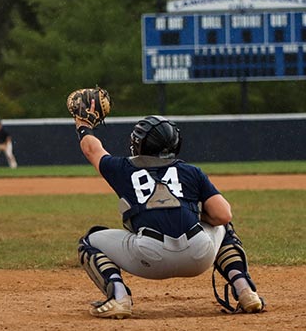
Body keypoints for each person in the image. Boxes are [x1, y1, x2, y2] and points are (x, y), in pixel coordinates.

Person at [73, 114, 265, 319]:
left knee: (89, 240)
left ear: (138, 144)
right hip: (198, 255)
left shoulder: (123, 169)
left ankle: (119, 297)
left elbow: (91, 149)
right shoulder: (190, 171)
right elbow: (223, 214)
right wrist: (194, 215)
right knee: (224, 226)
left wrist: (83, 124)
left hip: (148, 258)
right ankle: (245, 290)